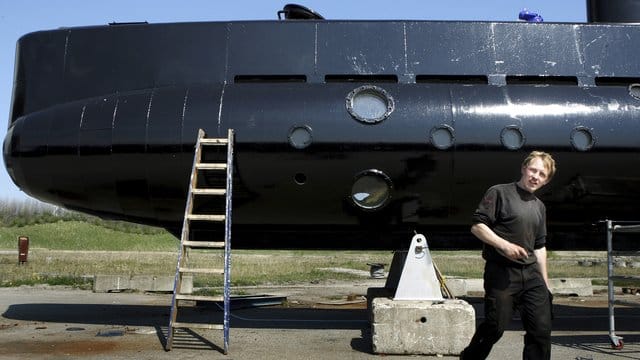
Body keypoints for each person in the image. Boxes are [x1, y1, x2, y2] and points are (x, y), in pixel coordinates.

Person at [460, 151, 556, 360]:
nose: (535, 176)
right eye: (533, 170)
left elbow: (539, 247)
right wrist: (504, 246)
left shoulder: (539, 206)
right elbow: (477, 227)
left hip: (531, 276)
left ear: (546, 180)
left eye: (542, 174)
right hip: (502, 272)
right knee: (495, 327)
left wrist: (546, 284)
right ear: (524, 168)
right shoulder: (499, 193)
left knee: (541, 331)